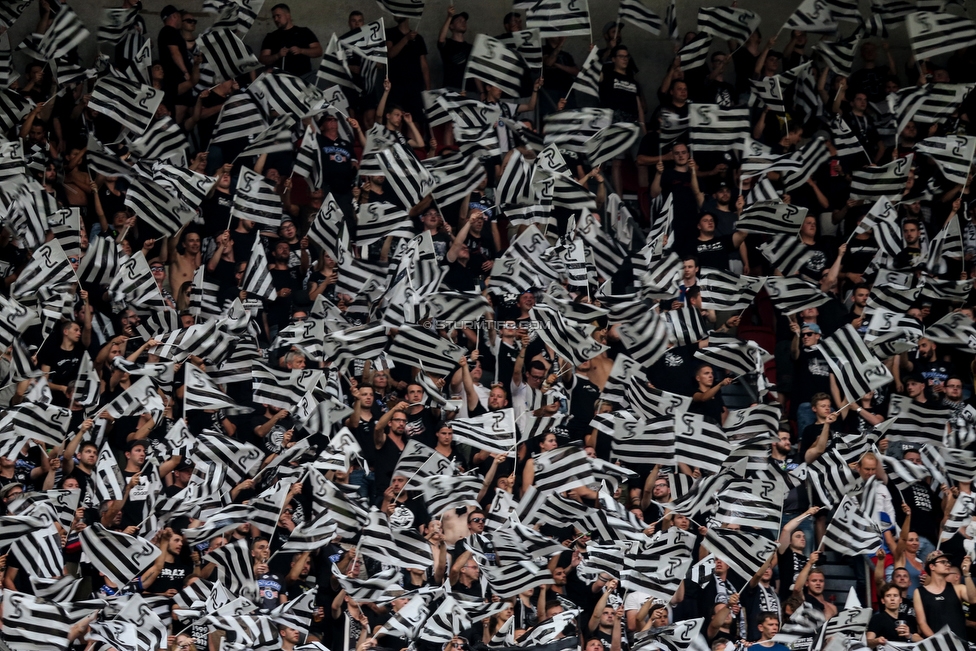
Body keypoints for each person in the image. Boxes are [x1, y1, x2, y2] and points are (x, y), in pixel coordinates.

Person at [914, 551, 976, 639]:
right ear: (932, 566)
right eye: (943, 562)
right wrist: (938, 641)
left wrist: (966, 574)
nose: (947, 564)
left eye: (948, 562)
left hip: (960, 644)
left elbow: (974, 599)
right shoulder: (919, 592)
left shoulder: (958, 588)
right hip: (937, 645)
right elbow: (922, 623)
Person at [258, 4, 322, 80]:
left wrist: (301, 50)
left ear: (288, 15)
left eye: (278, 16)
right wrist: (277, 55)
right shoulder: (271, 36)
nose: (276, 19)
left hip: (304, 78)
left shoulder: (304, 32)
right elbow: (262, 59)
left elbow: (318, 51)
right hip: (280, 79)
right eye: (274, 17)